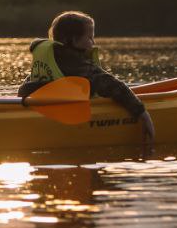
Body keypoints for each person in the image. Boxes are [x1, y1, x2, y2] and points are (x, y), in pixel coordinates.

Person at [18, 11, 154, 145]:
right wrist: (142, 113)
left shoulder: (52, 58)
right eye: (89, 38)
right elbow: (109, 84)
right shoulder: (73, 61)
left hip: (40, 110)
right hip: (63, 115)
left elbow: (25, 88)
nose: (93, 42)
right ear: (71, 40)